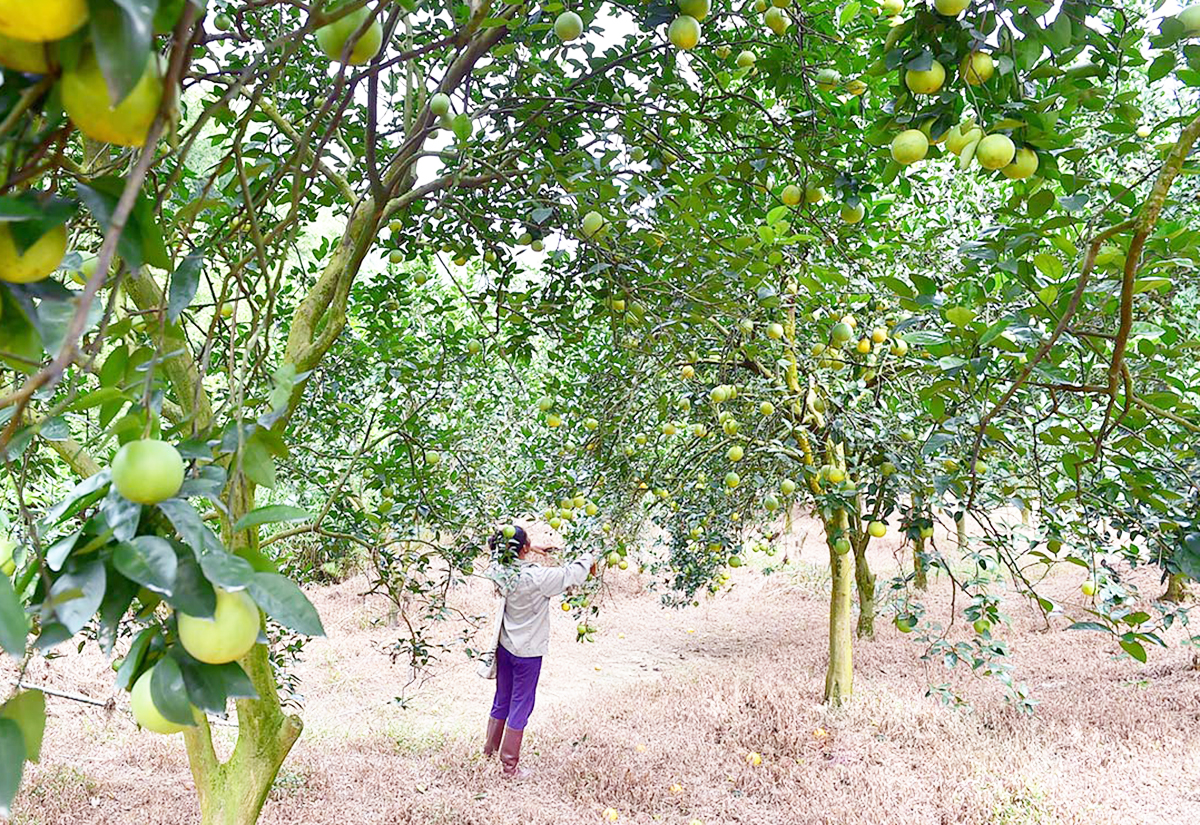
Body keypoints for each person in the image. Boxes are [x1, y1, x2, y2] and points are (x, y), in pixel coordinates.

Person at [482, 524, 597, 778]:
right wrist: (590, 555)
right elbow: (572, 574)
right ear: (522, 549)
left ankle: (489, 752)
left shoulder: (499, 569)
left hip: (505, 647)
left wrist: (530, 548)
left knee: (502, 698)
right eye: (528, 543)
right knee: (521, 704)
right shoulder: (538, 578)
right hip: (528, 653)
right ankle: (509, 768)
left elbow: (498, 552)